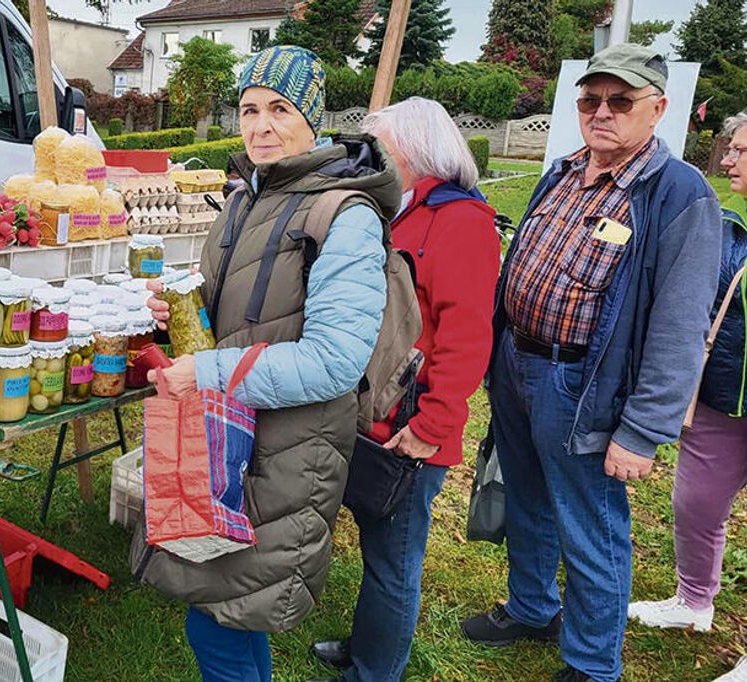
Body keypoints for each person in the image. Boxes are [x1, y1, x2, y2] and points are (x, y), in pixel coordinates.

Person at [130, 45, 400, 681]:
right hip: (234, 431)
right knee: (229, 610)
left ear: (313, 118)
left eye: (280, 109)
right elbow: (247, 308)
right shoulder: (247, 197)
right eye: (249, 109)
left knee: (221, 616)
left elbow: (334, 361)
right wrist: (184, 309)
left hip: (289, 447)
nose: (260, 126)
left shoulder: (345, 214)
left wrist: (209, 373)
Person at [460, 44, 723, 682]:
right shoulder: (563, 170)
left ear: (657, 109)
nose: (601, 112)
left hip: (585, 385)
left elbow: (680, 326)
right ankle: (531, 607)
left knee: (592, 525)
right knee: (525, 495)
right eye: (590, 99)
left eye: (620, 100)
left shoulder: (678, 194)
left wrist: (640, 431)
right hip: (519, 362)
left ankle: (591, 662)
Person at [308, 98, 500, 682]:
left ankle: (375, 670)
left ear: (416, 151)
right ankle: (367, 645)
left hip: (412, 426)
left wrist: (432, 427)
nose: (372, 155)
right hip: (374, 415)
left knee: (394, 557)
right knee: (376, 544)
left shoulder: (462, 221)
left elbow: (467, 338)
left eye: (382, 145)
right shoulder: (399, 209)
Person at [627, 111, 747, 680]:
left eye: (742, 151)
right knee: (694, 506)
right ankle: (694, 602)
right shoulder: (727, 224)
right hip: (724, 399)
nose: (728, 160)